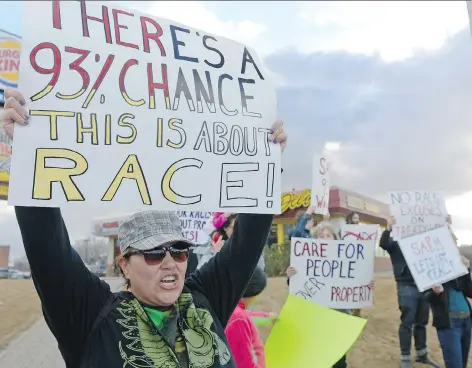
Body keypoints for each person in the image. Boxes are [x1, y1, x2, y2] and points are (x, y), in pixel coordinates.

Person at [1, 87, 288, 367]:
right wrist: (28, 151)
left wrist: (267, 163)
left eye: (179, 251)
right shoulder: (92, 314)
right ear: (124, 264)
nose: (169, 262)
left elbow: (247, 242)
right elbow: (49, 250)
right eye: (153, 253)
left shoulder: (205, 298)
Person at [286, 222, 351, 368]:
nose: (325, 239)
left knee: (339, 360)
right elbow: (297, 289)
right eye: (321, 236)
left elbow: (354, 285)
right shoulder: (305, 261)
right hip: (315, 317)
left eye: (328, 236)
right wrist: (292, 276)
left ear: (335, 239)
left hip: (339, 317)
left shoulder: (347, 262)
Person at [379, 216, 440, 368]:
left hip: (423, 285)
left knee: (422, 322)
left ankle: (422, 354)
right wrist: (388, 228)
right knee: (407, 322)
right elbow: (383, 244)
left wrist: (444, 225)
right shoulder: (396, 242)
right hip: (406, 286)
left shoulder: (424, 242)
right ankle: (405, 357)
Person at [426, 255, 472, 368]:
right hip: (450, 324)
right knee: (455, 364)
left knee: (462, 363)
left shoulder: (457, 268)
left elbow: (470, 292)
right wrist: (436, 292)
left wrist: (467, 270)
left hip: (467, 321)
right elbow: (426, 297)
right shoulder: (430, 270)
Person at [225, 267, 274, 368]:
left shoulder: (228, 306)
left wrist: (267, 317)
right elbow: (245, 364)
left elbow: (248, 316)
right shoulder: (238, 319)